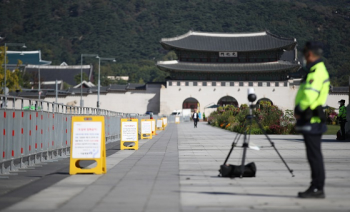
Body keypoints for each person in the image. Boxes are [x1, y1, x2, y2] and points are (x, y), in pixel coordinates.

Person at [294, 41, 330, 199]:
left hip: (311, 118)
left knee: (314, 155)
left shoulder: (316, 72)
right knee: (314, 155)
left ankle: (317, 187)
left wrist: (300, 109)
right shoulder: (317, 70)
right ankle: (316, 186)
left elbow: (309, 95)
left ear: (309, 54)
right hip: (311, 118)